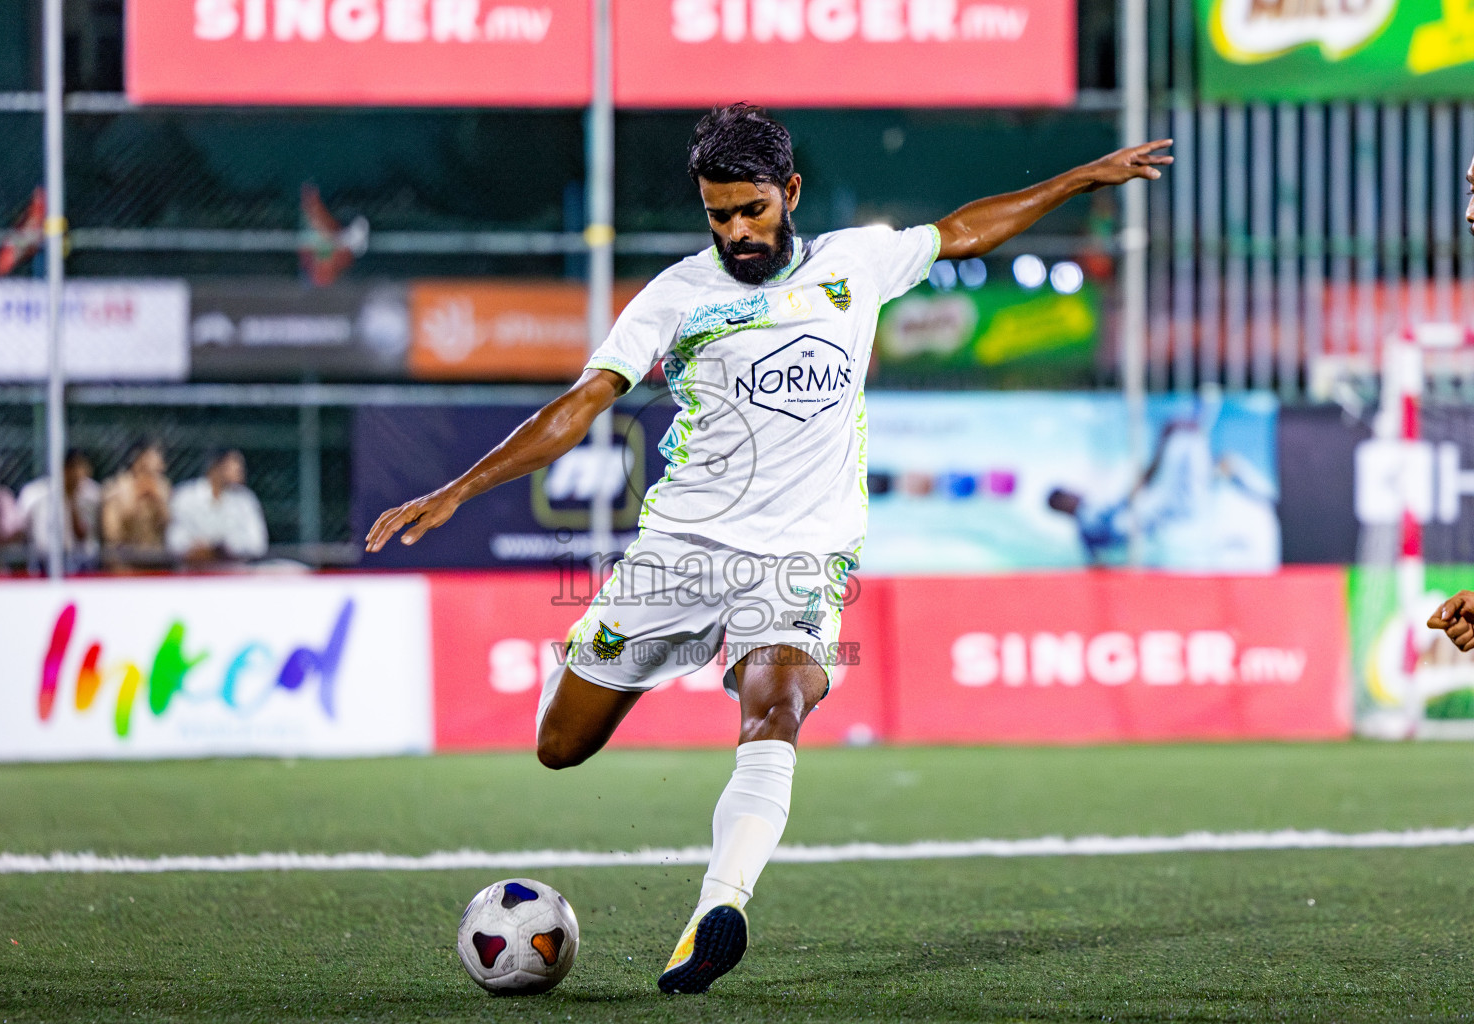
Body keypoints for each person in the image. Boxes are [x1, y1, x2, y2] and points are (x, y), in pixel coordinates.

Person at [367, 104, 1172, 994]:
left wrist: (1075, 181)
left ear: (789, 193)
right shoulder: (678, 295)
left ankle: (719, 909)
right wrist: (456, 490)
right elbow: (583, 402)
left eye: (752, 209)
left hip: (797, 560)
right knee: (559, 745)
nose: (738, 231)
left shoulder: (853, 265)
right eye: (719, 214)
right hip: (679, 551)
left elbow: (963, 231)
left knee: (777, 701)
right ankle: (605, 669)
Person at [167, 449, 268, 566]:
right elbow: (174, 541)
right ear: (216, 466)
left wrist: (224, 547)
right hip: (192, 573)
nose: (240, 470)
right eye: (235, 464)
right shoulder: (185, 496)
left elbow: (258, 544)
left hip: (235, 574)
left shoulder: (245, 500)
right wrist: (197, 548)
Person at [17, 450, 102, 573]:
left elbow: (83, 536)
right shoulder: (35, 494)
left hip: (81, 563)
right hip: (43, 562)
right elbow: (23, 531)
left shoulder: (91, 494)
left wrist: (72, 499)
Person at [99, 442, 172, 570]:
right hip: (124, 560)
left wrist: (158, 501)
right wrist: (136, 498)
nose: (161, 465)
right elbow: (112, 535)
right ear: (141, 459)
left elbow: (168, 526)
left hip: (155, 559)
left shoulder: (162, 487)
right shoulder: (115, 488)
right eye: (156, 458)